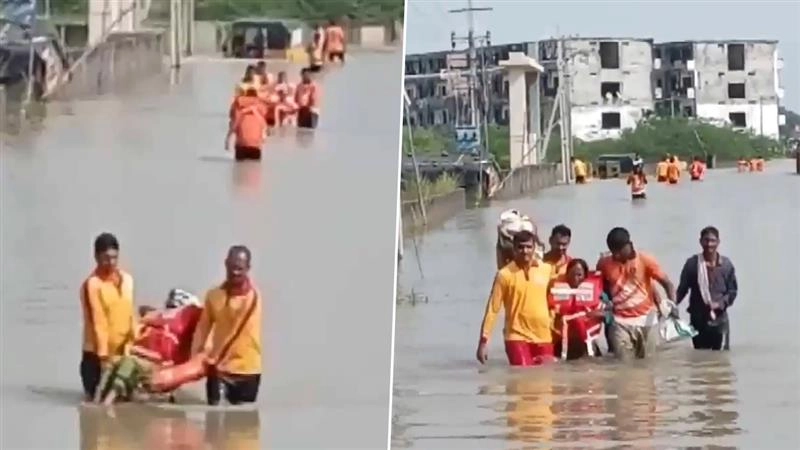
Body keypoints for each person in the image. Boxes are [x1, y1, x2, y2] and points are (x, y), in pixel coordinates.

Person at [94, 289, 204, 405]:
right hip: (147, 360)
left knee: (130, 362)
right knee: (113, 362)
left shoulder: (184, 325)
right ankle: (97, 398)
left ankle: (107, 403)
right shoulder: (158, 322)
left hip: (162, 366)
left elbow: (162, 357)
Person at [192, 246, 262, 406]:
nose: (235, 272)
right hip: (219, 371)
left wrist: (212, 358)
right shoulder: (213, 295)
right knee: (215, 418)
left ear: (248, 269)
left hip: (248, 370)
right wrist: (195, 359)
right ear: (225, 264)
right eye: (232, 267)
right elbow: (202, 329)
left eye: (240, 268)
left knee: (244, 426)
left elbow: (235, 331)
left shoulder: (253, 297)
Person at [596, 227, 677, 362]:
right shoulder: (604, 263)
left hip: (647, 321)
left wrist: (672, 306)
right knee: (625, 367)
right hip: (620, 323)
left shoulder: (645, 260)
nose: (616, 256)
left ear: (628, 245)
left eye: (619, 252)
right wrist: (604, 308)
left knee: (648, 365)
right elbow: (598, 288)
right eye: (613, 252)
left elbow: (667, 284)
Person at [477, 230, 556, 367]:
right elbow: (493, 309)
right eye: (520, 247)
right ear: (514, 249)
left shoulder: (546, 270)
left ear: (534, 248)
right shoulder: (504, 275)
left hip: (544, 336)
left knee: (545, 382)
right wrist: (483, 341)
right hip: (516, 336)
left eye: (528, 247)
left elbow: (558, 297)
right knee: (522, 377)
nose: (525, 251)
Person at [80, 233, 136, 402]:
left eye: (114, 258)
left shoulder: (127, 280)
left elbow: (130, 314)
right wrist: (104, 358)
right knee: (96, 407)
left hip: (122, 354)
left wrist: (132, 343)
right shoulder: (92, 285)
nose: (111, 263)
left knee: (124, 406)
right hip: (96, 358)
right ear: (96, 257)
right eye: (106, 258)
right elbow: (98, 322)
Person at [676, 226, 737, 351]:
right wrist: (670, 307)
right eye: (706, 240)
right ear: (700, 242)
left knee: (721, 360)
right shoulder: (692, 264)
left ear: (718, 242)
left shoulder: (726, 265)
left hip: (719, 321)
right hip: (698, 321)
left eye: (713, 241)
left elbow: (732, 292)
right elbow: (682, 290)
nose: (709, 244)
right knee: (700, 359)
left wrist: (719, 304)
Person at [548, 258, 605, 360]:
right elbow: (550, 316)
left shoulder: (595, 293)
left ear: (585, 276)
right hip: (563, 344)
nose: (575, 278)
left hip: (587, 344)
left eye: (579, 275)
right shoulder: (557, 292)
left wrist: (588, 315)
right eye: (572, 274)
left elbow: (606, 314)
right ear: (567, 275)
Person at [226, 85, 269, 161]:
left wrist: (227, 140)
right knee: (254, 168)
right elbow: (264, 127)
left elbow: (233, 126)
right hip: (255, 147)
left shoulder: (238, 108)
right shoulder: (260, 110)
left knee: (239, 169)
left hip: (241, 146)